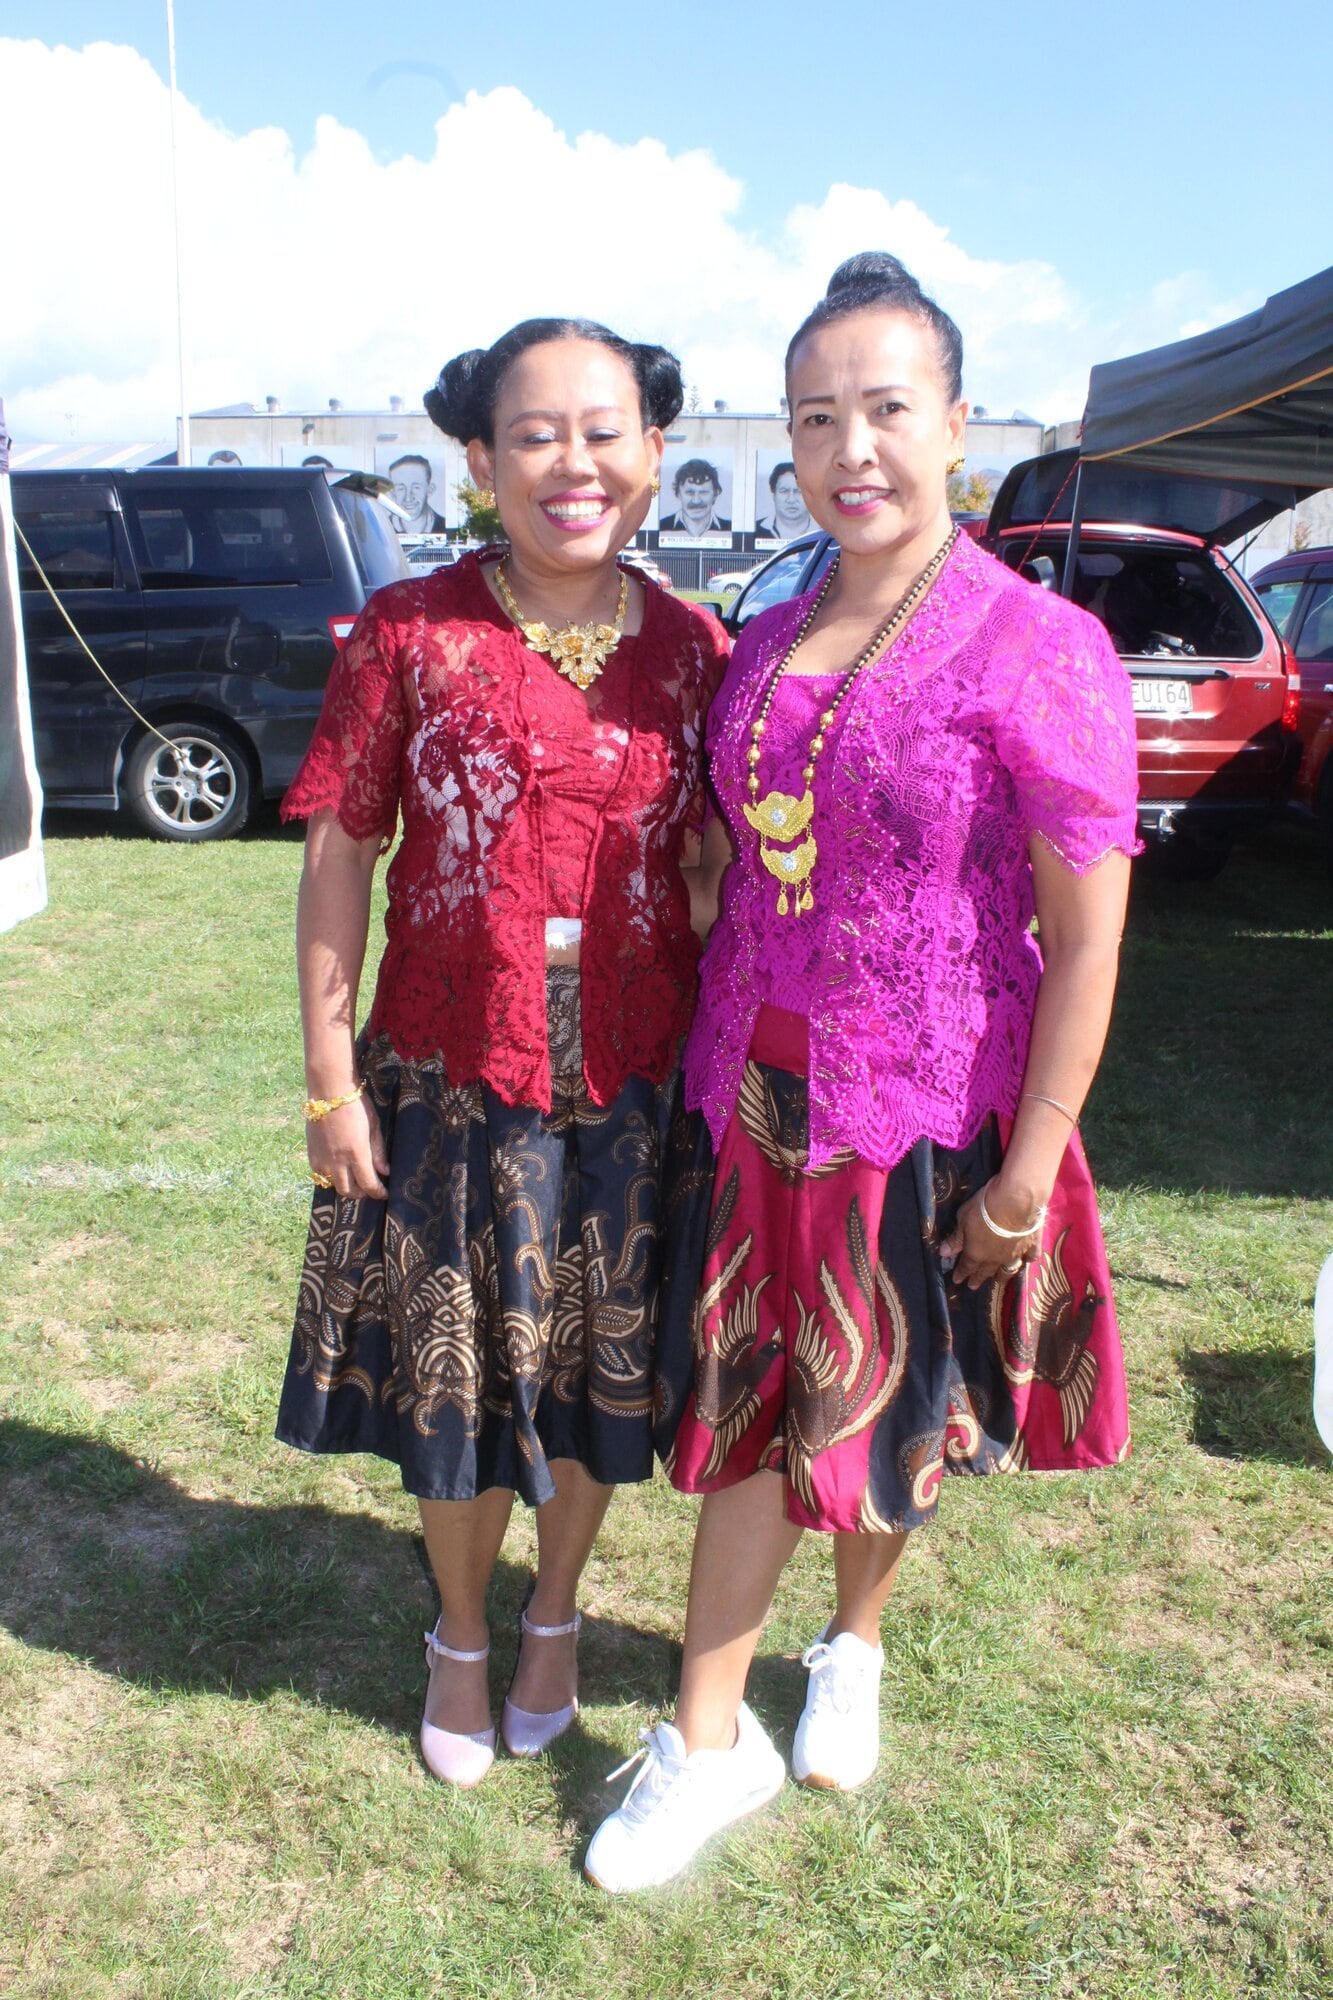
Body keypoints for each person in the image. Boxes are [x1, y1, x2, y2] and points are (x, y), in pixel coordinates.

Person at [585, 253, 1140, 1891]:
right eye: (815, 416)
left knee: (890, 1406)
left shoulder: (1038, 646)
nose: (850, 449)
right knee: (756, 1417)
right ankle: (705, 1738)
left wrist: (1032, 1163)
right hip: (749, 1099)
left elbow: (1087, 938)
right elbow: (739, 869)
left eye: (885, 410)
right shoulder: (766, 636)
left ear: (954, 424)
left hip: (929, 1105)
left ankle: (853, 1647)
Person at [275, 317, 730, 1789]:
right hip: (451, 1066)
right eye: (535, 434)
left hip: (633, 1082)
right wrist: (332, 1080)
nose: (572, 462)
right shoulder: (409, 631)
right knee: (456, 1381)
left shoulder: (698, 652)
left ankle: (555, 1615)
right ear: (480, 460)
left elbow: (721, 870)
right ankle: (460, 1633)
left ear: (654, 454)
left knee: (599, 1375)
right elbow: (344, 852)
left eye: (605, 431)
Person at [658, 458, 730, 536]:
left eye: (703, 492)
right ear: (678, 494)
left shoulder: (729, 529)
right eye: (690, 493)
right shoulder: (661, 527)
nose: (696, 500)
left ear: (715, 494)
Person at [387, 451, 448, 534]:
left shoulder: (445, 527)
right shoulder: (382, 529)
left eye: (416, 487)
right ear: (392, 492)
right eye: (401, 488)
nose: (408, 497)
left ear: (430, 490)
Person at [756, 459, 812, 541]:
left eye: (798, 491)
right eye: (784, 491)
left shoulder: (825, 532)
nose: (791, 499)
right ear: (773, 495)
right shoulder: (755, 530)